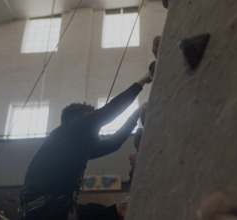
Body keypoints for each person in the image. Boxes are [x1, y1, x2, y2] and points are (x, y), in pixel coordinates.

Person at [20, 72, 152, 220]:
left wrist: (135, 115)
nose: (95, 127)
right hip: (47, 211)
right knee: (109, 212)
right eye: (90, 118)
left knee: (109, 211)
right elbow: (106, 114)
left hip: (56, 209)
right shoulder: (66, 133)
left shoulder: (74, 147)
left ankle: (121, 209)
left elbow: (113, 144)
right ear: (75, 120)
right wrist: (141, 82)